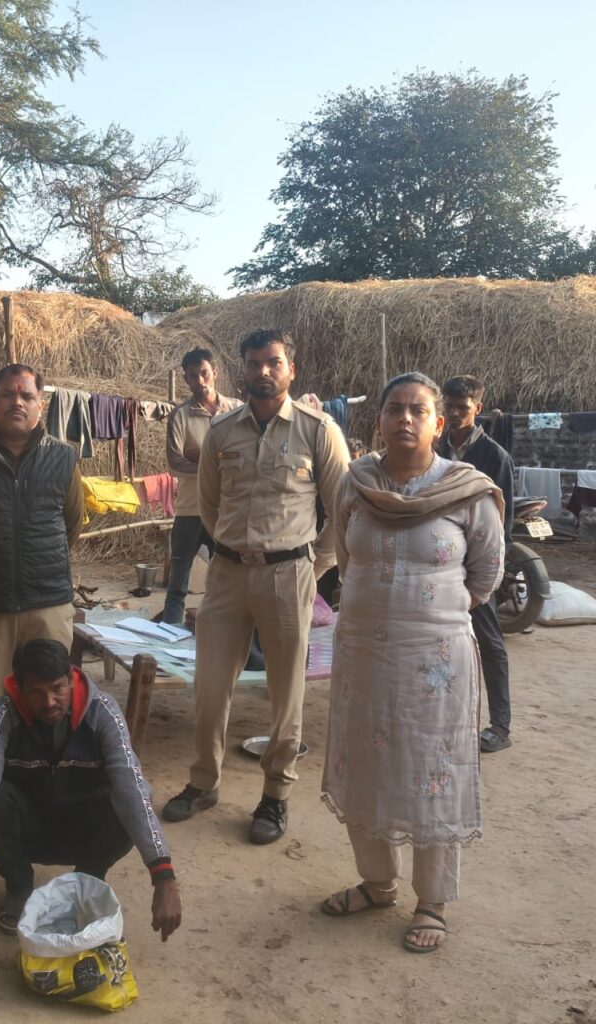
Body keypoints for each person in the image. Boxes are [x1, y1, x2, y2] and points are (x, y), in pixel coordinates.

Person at [320, 372, 504, 953]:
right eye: (394, 409)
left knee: (433, 768)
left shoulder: (466, 490)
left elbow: (487, 573)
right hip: (364, 654)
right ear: (379, 420)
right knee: (365, 762)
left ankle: (432, 901)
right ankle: (378, 884)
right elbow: (345, 555)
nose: (404, 418)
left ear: (438, 423)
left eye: (417, 410)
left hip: (436, 665)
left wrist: (430, 614)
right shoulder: (356, 483)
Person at [162, 329, 349, 844]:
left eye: (273, 362)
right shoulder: (222, 432)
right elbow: (209, 503)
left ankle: (275, 795)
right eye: (253, 363)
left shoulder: (318, 430)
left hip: (289, 574)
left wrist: (313, 565)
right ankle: (204, 783)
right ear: (241, 370)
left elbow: (342, 509)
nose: (263, 372)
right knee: (209, 686)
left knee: (285, 693)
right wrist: (234, 548)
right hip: (226, 575)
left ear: (291, 369)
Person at [0, 639, 182, 941]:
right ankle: (19, 884)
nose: (49, 702)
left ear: (71, 678)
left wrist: (163, 874)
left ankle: (87, 881)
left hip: (85, 829)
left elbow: (131, 785)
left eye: (58, 688)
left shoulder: (103, 712)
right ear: (19, 688)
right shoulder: (3, 713)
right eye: (36, 692)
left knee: (128, 797)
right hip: (27, 831)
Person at [0, 363, 84, 754]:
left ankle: (48, 782)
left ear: (40, 404)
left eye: (27, 396)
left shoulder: (63, 458)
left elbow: (71, 524)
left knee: (52, 703)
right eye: (7, 394)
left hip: (48, 605)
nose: (17, 402)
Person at [439, 374, 515, 753]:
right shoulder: (434, 448)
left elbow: (503, 522)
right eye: (449, 406)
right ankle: (444, 719)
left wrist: (489, 574)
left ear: (478, 409)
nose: (455, 414)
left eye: (462, 408)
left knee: (489, 642)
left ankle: (500, 726)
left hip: (476, 569)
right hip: (439, 564)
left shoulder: (494, 457)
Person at [161, 347, 242, 624]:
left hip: (226, 509)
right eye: (193, 375)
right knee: (177, 584)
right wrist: (219, 463)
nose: (200, 380)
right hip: (190, 509)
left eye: (204, 373)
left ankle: (223, 632)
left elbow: (246, 456)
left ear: (214, 373)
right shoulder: (180, 415)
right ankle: (168, 636)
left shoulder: (236, 410)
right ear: (186, 379)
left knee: (229, 580)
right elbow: (175, 463)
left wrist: (198, 457)